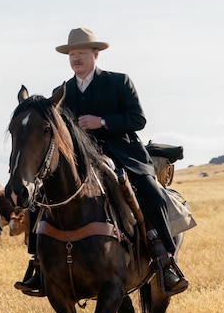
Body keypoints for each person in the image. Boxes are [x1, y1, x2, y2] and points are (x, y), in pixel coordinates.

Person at [15, 27, 188, 297]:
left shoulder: (119, 82)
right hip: (80, 161)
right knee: (41, 198)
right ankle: (37, 266)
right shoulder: (62, 92)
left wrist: (102, 122)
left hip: (123, 154)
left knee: (151, 193)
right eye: (72, 54)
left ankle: (165, 260)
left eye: (81, 53)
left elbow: (138, 120)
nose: (76, 58)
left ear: (95, 54)